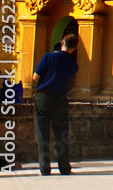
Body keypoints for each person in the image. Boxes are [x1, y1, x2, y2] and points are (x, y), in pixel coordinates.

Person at [32, 33, 79, 176]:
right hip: (59, 98)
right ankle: (64, 167)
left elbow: (35, 77)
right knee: (61, 133)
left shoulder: (48, 57)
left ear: (62, 42)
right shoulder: (73, 65)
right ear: (75, 48)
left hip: (43, 96)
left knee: (42, 133)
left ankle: (44, 168)